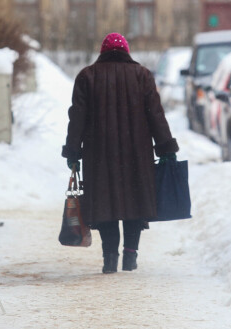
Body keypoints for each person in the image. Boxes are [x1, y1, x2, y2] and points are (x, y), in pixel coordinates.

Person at [62, 32, 179, 274]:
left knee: (106, 205)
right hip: (136, 153)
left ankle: (109, 258)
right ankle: (130, 254)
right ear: (126, 51)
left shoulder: (87, 76)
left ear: (103, 52)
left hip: (99, 155)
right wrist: (165, 147)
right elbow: (156, 115)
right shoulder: (142, 75)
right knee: (134, 203)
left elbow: (77, 118)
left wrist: (73, 151)